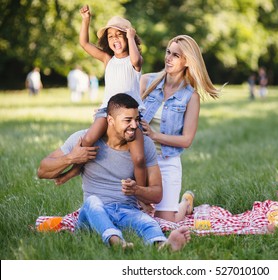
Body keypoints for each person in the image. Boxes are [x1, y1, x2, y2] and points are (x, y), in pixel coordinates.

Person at [37, 93, 191, 251]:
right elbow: (42, 170)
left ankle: (163, 244)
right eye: (127, 120)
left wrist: (137, 190)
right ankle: (117, 243)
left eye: (136, 119)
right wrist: (71, 158)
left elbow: (157, 194)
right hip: (94, 213)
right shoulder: (83, 140)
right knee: (92, 202)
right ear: (110, 120)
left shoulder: (145, 145)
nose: (134, 125)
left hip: (127, 211)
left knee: (147, 221)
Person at [55, 5, 146, 193]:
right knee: (88, 139)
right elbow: (84, 44)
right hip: (107, 111)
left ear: (128, 37)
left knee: (138, 158)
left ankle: (142, 193)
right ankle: (75, 169)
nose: (115, 39)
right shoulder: (107, 59)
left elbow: (137, 60)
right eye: (111, 36)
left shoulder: (134, 60)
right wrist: (86, 19)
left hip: (130, 115)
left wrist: (130, 36)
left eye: (119, 35)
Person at [139, 35, 220, 222]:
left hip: (167, 161)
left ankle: (185, 203)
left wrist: (154, 135)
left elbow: (186, 140)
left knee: (166, 222)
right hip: (139, 160)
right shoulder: (146, 82)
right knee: (136, 215)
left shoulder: (190, 97)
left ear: (186, 61)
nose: (168, 58)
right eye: (168, 52)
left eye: (176, 55)